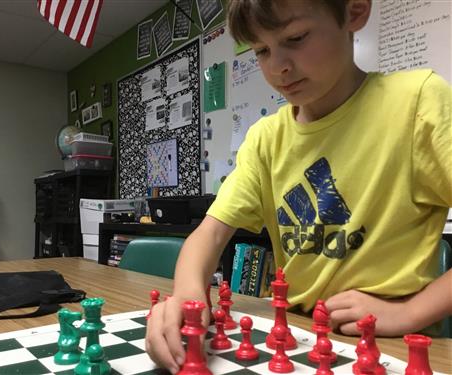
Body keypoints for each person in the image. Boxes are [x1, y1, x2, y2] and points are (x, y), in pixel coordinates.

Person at [145, 0, 452, 372]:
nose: (278, 67)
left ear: (354, 12)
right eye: (261, 50)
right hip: (300, 338)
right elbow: (208, 235)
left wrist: (407, 313)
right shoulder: (265, 139)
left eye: (296, 37)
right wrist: (189, 297)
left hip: (396, 346)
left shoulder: (416, 101)